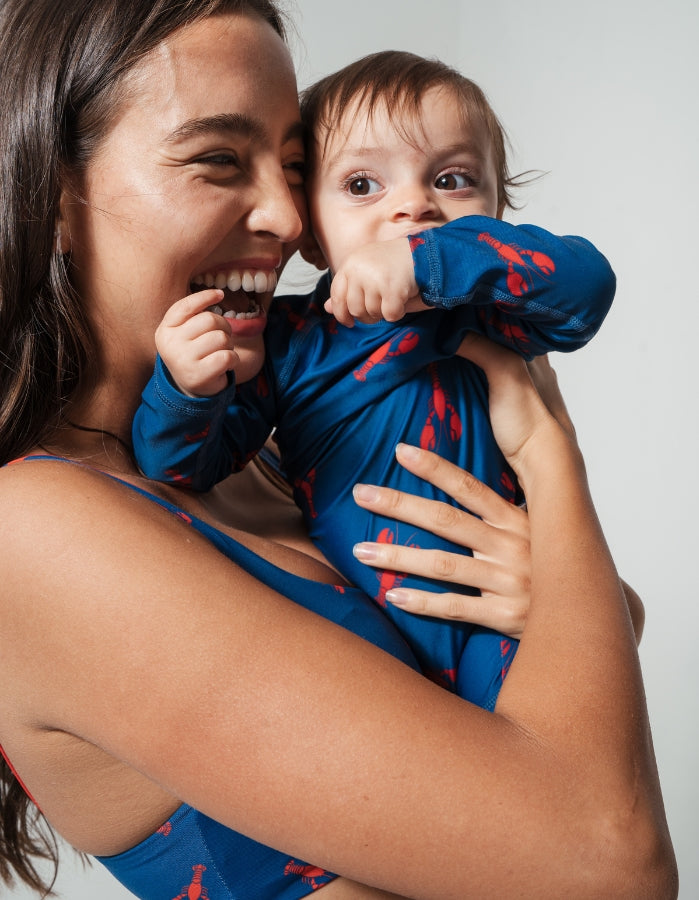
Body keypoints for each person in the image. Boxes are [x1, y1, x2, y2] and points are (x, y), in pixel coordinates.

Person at [0, 1, 676, 899]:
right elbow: (609, 865)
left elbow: (611, 633)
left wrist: (559, 595)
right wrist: (550, 456)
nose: (286, 218)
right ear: (49, 190)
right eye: (216, 159)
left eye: (293, 168)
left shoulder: (274, 450)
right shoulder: (35, 528)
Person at [133, 50, 616, 706]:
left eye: (451, 179)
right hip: (369, 646)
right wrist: (188, 391)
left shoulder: (488, 317)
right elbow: (187, 468)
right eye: (363, 185)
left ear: (495, 209)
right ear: (310, 237)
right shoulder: (289, 341)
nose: (413, 207)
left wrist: (433, 262)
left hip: (498, 621)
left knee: (543, 763)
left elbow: (586, 286)